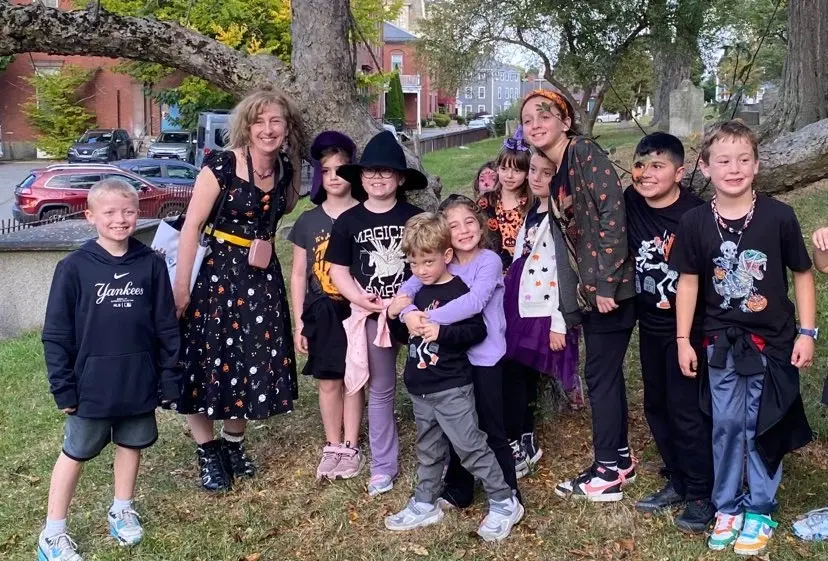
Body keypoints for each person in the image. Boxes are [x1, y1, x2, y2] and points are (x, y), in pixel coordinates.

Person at [671, 120, 815, 555]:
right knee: (728, 424)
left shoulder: (779, 217)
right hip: (720, 344)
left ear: (756, 164)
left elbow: (803, 275)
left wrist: (807, 332)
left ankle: (760, 508)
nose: (734, 169)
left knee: (762, 423)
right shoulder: (695, 221)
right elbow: (689, 283)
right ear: (706, 167)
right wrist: (682, 339)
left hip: (772, 343)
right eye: (723, 161)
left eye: (743, 160)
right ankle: (728, 505)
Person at [38, 179, 182, 561]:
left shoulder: (150, 264)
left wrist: (169, 376)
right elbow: (55, 334)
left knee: (131, 445)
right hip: (90, 386)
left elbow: (166, 325)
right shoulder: (73, 268)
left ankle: (122, 508)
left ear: (140, 212)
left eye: (129, 211)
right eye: (110, 212)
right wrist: (63, 387)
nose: (121, 219)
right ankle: (52, 533)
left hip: (139, 380)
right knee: (76, 452)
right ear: (90, 216)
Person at [174, 86, 303, 491]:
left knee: (252, 357)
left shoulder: (285, 170)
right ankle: (208, 453)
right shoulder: (222, 166)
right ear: (246, 126)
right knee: (205, 359)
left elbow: (287, 207)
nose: (268, 129)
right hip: (217, 275)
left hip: (261, 277)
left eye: (276, 121)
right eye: (260, 121)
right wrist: (181, 288)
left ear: (286, 128)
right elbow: (191, 227)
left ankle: (233, 444)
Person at [520, 89, 637, 501]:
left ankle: (607, 472)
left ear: (565, 122)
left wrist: (605, 283)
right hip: (590, 294)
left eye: (544, 115)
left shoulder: (584, 154)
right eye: (527, 118)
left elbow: (612, 214)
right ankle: (620, 458)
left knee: (600, 378)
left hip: (611, 291)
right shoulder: (558, 171)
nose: (535, 123)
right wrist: (570, 307)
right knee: (604, 376)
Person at [384, 212, 524, 541]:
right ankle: (425, 502)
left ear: (444, 256)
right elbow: (403, 310)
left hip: (453, 383)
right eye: (414, 264)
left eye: (426, 262)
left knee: (474, 444)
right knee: (430, 449)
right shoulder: (420, 285)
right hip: (421, 387)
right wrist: (402, 312)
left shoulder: (463, 283)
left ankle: (504, 500)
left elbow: (475, 324)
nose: (420, 270)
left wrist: (434, 326)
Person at [325, 129, 425, 496]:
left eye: (386, 172)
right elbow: (338, 270)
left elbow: (430, 264)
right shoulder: (348, 221)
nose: (378, 178)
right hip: (372, 317)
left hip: (415, 313)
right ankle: (384, 466)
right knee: (381, 389)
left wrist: (407, 300)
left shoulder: (415, 217)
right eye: (370, 172)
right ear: (360, 178)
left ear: (400, 178)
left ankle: (441, 456)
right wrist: (363, 300)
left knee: (428, 386)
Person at [624, 132, 715, 532]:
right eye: (640, 165)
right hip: (652, 325)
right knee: (656, 405)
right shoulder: (631, 201)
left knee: (687, 410)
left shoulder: (696, 215)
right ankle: (678, 480)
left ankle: (701, 493)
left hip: (691, 329)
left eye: (657, 166)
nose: (645, 174)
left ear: (680, 172)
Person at [288, 131, 364, 480]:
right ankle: (333, 444)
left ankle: (351, 444)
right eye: (327, 170)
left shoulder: (363, 215)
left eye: (341, 169)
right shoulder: (308, 221)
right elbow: (300, 275)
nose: (335, 176)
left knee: (354, 378)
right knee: (329, 380)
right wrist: (299, 322)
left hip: (358, 307)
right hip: (322, 310)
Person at [503, 148, 581, 478]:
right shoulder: (534, 210)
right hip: (519, 300)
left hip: (543, 308)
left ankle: (523, 438)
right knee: (513, 370)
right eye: (533, 170)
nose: (536, 177)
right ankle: (518, 436)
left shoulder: (562, 217)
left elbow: (567, 272)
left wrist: (559, 321)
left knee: (520, 370)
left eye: (545, 173)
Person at [477, 129, 535, 272]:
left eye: (517, 171)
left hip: (524, 273)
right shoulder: (485, 203)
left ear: (527, 173)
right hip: (491, 272)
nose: (509, 176)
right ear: (497, 169)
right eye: (504, 168)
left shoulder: (532, 204)